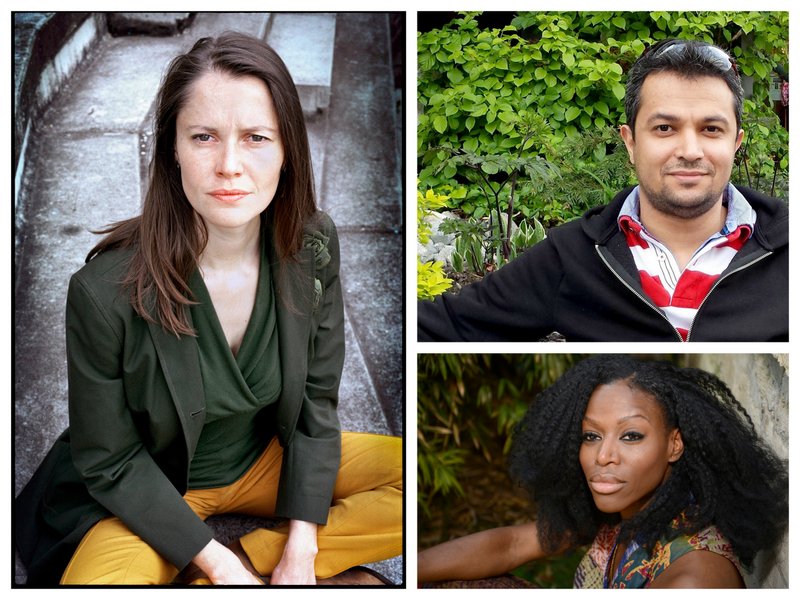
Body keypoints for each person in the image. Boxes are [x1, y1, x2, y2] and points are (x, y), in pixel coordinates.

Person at [15, 32, 402, 586]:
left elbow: (316, 399)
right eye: (203, 137)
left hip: (262, 463)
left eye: (255, 138)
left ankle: (252, 559)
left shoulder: (311, 245)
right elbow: (111, 460)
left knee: (415, 479)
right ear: (172, 148)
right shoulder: (101, 293)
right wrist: (216, 563)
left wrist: (300, 544)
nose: (229, 165)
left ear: (288, 148)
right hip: (151, 489)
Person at [418, 39, 788, 341]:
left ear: (736, 143)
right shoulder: (574, 256)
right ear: (630, 142)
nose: (690, 151)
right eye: (664, 128)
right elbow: (442, 328)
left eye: (711, 129)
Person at [417, 355, 788, 588]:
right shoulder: (629, 514)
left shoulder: (694, 578)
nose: (604, 456)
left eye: (631, 435)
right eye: (591, 435)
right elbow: (511, 544)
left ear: (675, 444)